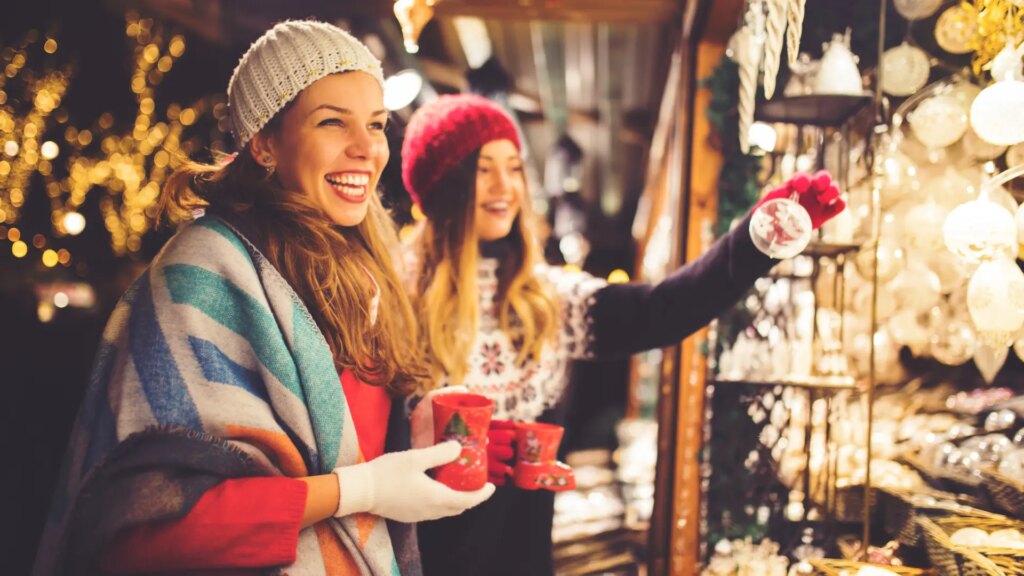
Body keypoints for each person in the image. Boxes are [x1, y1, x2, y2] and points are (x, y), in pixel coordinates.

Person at [33, 21, 493, 576]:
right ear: (264, 142)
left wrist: (418, 434)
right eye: (331, 122)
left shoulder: (366, 272)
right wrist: (361, 489)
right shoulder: (200, 278)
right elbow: (147, 531)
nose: (366, 147)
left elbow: (355, 438)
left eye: (376, 124)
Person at [400, 94, 846, 576]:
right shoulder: (393, 299)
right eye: (483, 169)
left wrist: (754, 242)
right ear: (443, 183)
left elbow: (660, 310)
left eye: (514, 167)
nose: (505, 186)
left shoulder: (546, 296)